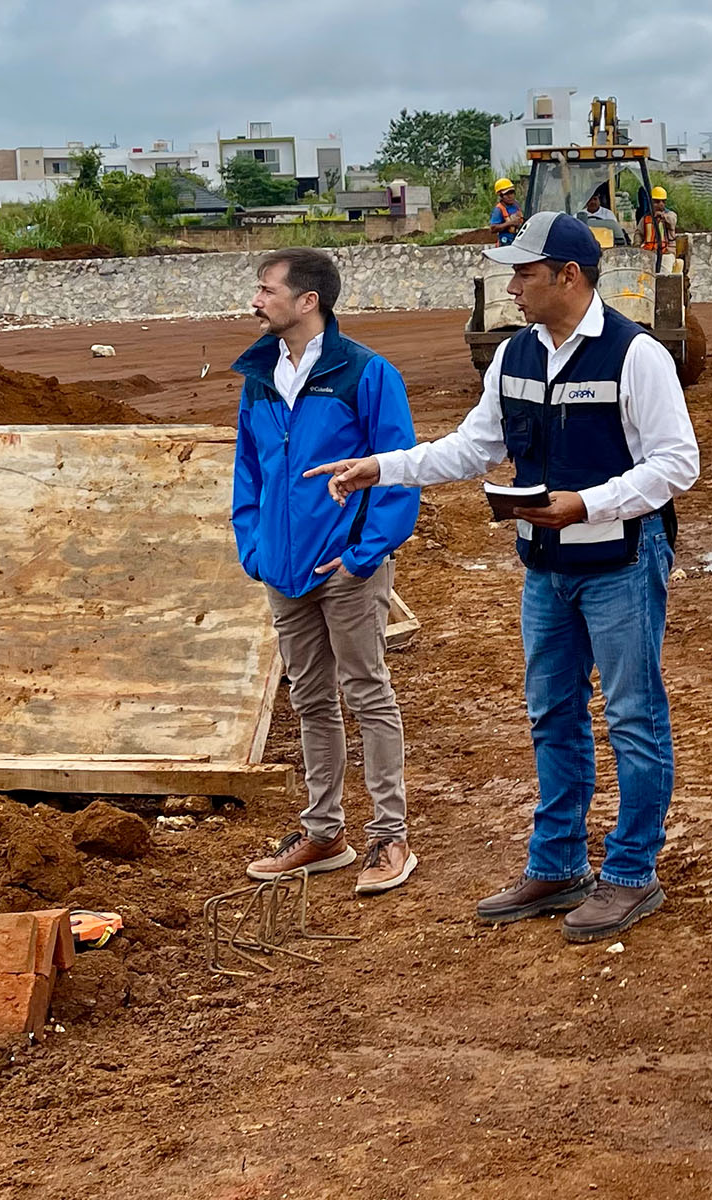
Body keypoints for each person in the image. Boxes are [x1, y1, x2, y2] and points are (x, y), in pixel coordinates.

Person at [305, 212, 699, 943]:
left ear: (568, 277)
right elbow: (473, 447)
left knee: (632, 719)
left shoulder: (636, 356)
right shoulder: (515, 355)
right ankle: (557, 864)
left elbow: (678, 464)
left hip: (619, 563)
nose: (511, 286)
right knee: (552, 713)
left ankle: (631, 873)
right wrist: (382, 469)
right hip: (545, 568)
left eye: (524, 273)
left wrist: (587, 503)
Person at [232, 248, 423, 893]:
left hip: (345, 567)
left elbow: (398, 471)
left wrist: (364, 555)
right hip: (282, 570)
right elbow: (249, 472)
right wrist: (253, 547)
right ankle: (323, 834)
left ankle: (390, 839)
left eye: (266, 290)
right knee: (309, 698)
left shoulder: (366, 374)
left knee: (367, 693)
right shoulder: (259, 377)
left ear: (306, 300)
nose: (256, 301)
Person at [640, 186, 678, 254]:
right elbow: (639, 233)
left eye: (663, 201)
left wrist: (663, 216)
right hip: (649, 251)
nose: (661, 204)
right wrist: (637, 246)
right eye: (657, 202)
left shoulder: (670, 215)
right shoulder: (645, 218)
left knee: (666, 262)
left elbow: (672, 221)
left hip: (667, 251)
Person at [490, 178, 524, 247]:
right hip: (505, 243)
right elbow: (493, 228)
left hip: (517, 240)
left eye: (511, 193)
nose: (510, 196)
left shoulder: (516, 205)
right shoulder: (498, 210)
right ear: (501, 196)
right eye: (506, 194)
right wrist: (510, 223)